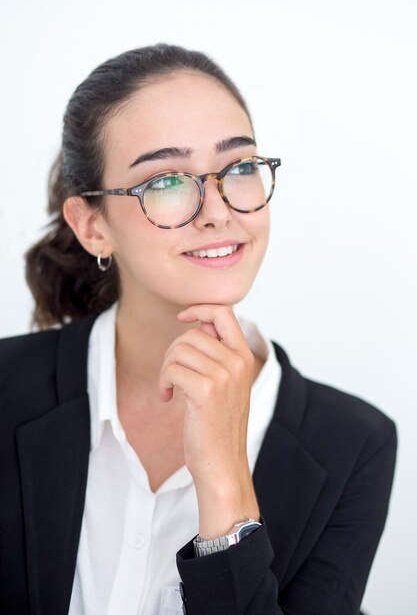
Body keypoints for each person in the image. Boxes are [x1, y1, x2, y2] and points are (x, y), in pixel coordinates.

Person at [0, 43, 397, 615]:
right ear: (92, 227)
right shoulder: (7, 388)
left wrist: (226, 485)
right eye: (165, 181)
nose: (217, 211)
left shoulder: (353, 443)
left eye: (238, 168)